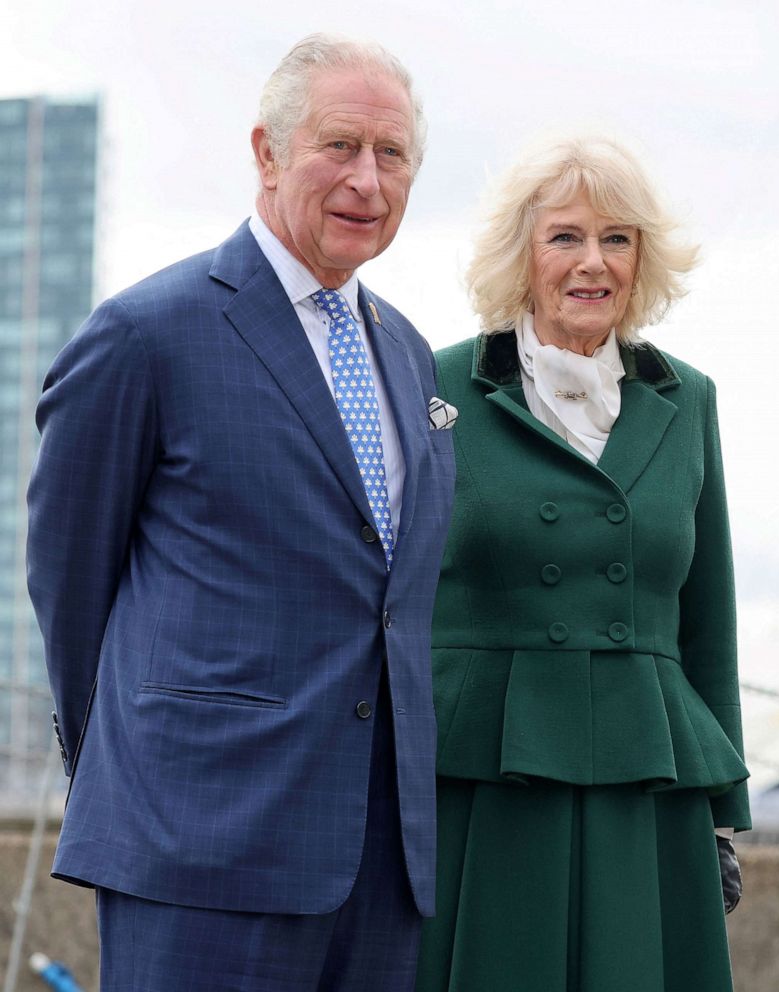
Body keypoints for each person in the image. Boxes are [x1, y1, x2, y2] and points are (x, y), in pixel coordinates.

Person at [27, 33, 456, 992]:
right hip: (198, 853)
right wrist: (140, 780)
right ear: (267, 152)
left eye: (392, 156)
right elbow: (68, 583)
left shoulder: (411, 357)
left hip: (379, 861)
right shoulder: (146, 334)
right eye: (339, 146)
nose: (367, 181)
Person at [415, 137, 750, 992]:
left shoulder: (689, 399)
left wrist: (722, 818)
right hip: (483, 779)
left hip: (648, 782)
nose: (592, 263)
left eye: (617, 238)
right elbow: (391, 601)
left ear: (643, 260)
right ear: (521, 256)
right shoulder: (435, 388)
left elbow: (707, 619)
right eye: (564, 236)